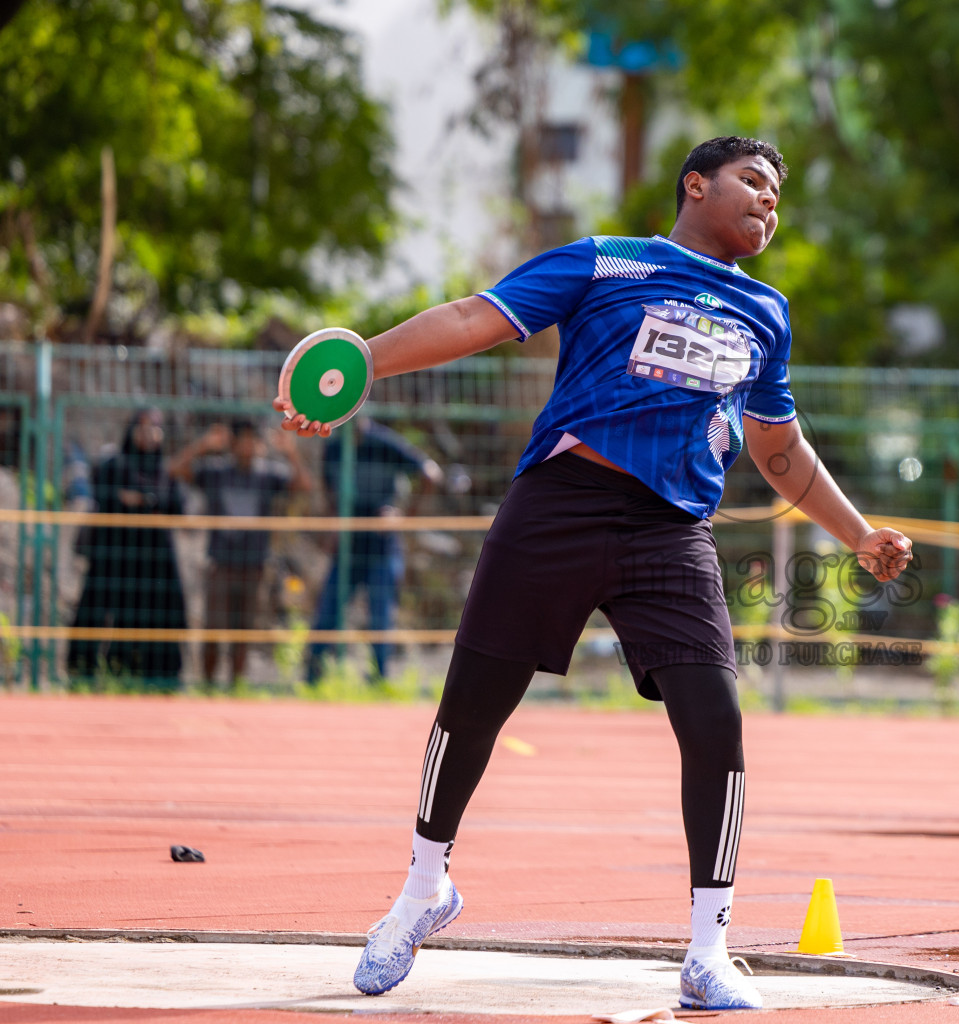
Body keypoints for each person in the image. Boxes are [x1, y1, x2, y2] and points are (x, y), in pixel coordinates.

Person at [273, 136, 913, 1009]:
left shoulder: (767, 312)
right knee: (471, 705)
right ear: (696, 184)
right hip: (560, 503)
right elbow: (475, 316)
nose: (769, 203)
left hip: (671, 530)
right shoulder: (607, 263)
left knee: (716, 721)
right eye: (753, 183)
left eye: (777, 196)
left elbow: (777, 447)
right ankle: (424, 888)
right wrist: (359, 365)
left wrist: (857, 533)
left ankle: (707, 948)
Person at [169, 419, 314, 688]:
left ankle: (237, 686)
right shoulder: (216, 471)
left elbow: (305, 486)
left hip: (254, 565)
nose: (248, 446)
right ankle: (208, 686)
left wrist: (290, 453)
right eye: (243, 439)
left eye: (252, 439)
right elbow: (175, 469)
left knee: (244, 632)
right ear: (233, 443)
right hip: (220, 564)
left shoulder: (268, 474)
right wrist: (203, 445)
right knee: (213, 629)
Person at [304, 417, 442, 685]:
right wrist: (333, 521)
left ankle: (379, 681)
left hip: (382, 547)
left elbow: (430, 473)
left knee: (380, 619)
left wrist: (405, 517)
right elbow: (327, 488)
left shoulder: (383, 442)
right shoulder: (333, 447)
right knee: (327, 613)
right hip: (347, 548)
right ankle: (311, 680)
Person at [67, 408, 188, 690]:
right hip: (114, 553)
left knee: (158, 612)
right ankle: (83, 672)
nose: (148, 434)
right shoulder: (115, 463)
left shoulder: (165, 470)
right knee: (96, 611)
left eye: (154, 428)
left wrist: (141, 500)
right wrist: (148, 503)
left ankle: (156, 676)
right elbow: (109, 496)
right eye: (142, 427)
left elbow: (175, 506)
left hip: (154, 559)